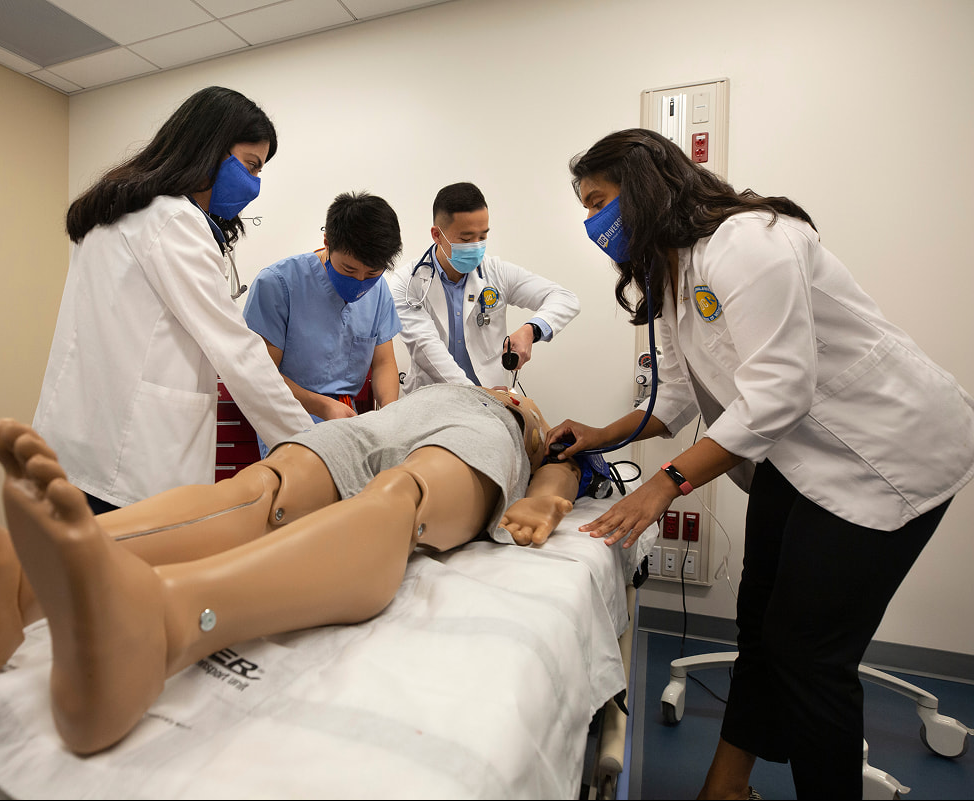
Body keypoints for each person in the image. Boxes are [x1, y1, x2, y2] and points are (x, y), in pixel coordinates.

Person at [547, 127, 974, 799]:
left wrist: (667, 483)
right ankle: (725, 786)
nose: (593, 224)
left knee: (810, 656)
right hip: (798, 454)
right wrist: (602, 433)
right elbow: (676, 396)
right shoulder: (671, 272)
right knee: (761, 625)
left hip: (890, 448)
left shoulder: (747, 241)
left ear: (644, 186)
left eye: (599, 202)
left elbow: (778, 392)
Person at [0, 383, 614, 756]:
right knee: (259, 491)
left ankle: (164, 622)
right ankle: (5, 592)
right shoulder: (439, 371)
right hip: (382, 420)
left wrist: (543, 492)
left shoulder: (525, 422)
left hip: (472, 438)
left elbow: (564, 471)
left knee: (399, 497)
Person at [32, 86, 312, 514]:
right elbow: (237, 351)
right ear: (210, 147)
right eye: (251, 165)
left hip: (78, 440)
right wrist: (312, 447)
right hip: (133, 457)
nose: (254, 184)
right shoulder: (173, 220)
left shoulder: (117, 209)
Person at [242, 191, 403, 455]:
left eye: (372, 273)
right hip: (289, 417)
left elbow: (384, 363)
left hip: (347, 422)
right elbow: (262, 375)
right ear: (327, 242)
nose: (360, 282)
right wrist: (323, 407)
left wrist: (389, 414)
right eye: (349, 270)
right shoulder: (278, 284)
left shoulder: (379, 290)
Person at [387, 181, 581, 394]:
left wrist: (531, 330)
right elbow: (428, 351)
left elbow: (564, 298)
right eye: (466, 238)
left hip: (493, 396)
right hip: (434, 397)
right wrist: (480, 397)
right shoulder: (407, 283)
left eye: (482, 236)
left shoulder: (497, 272)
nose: (476, 245)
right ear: (437, 235)